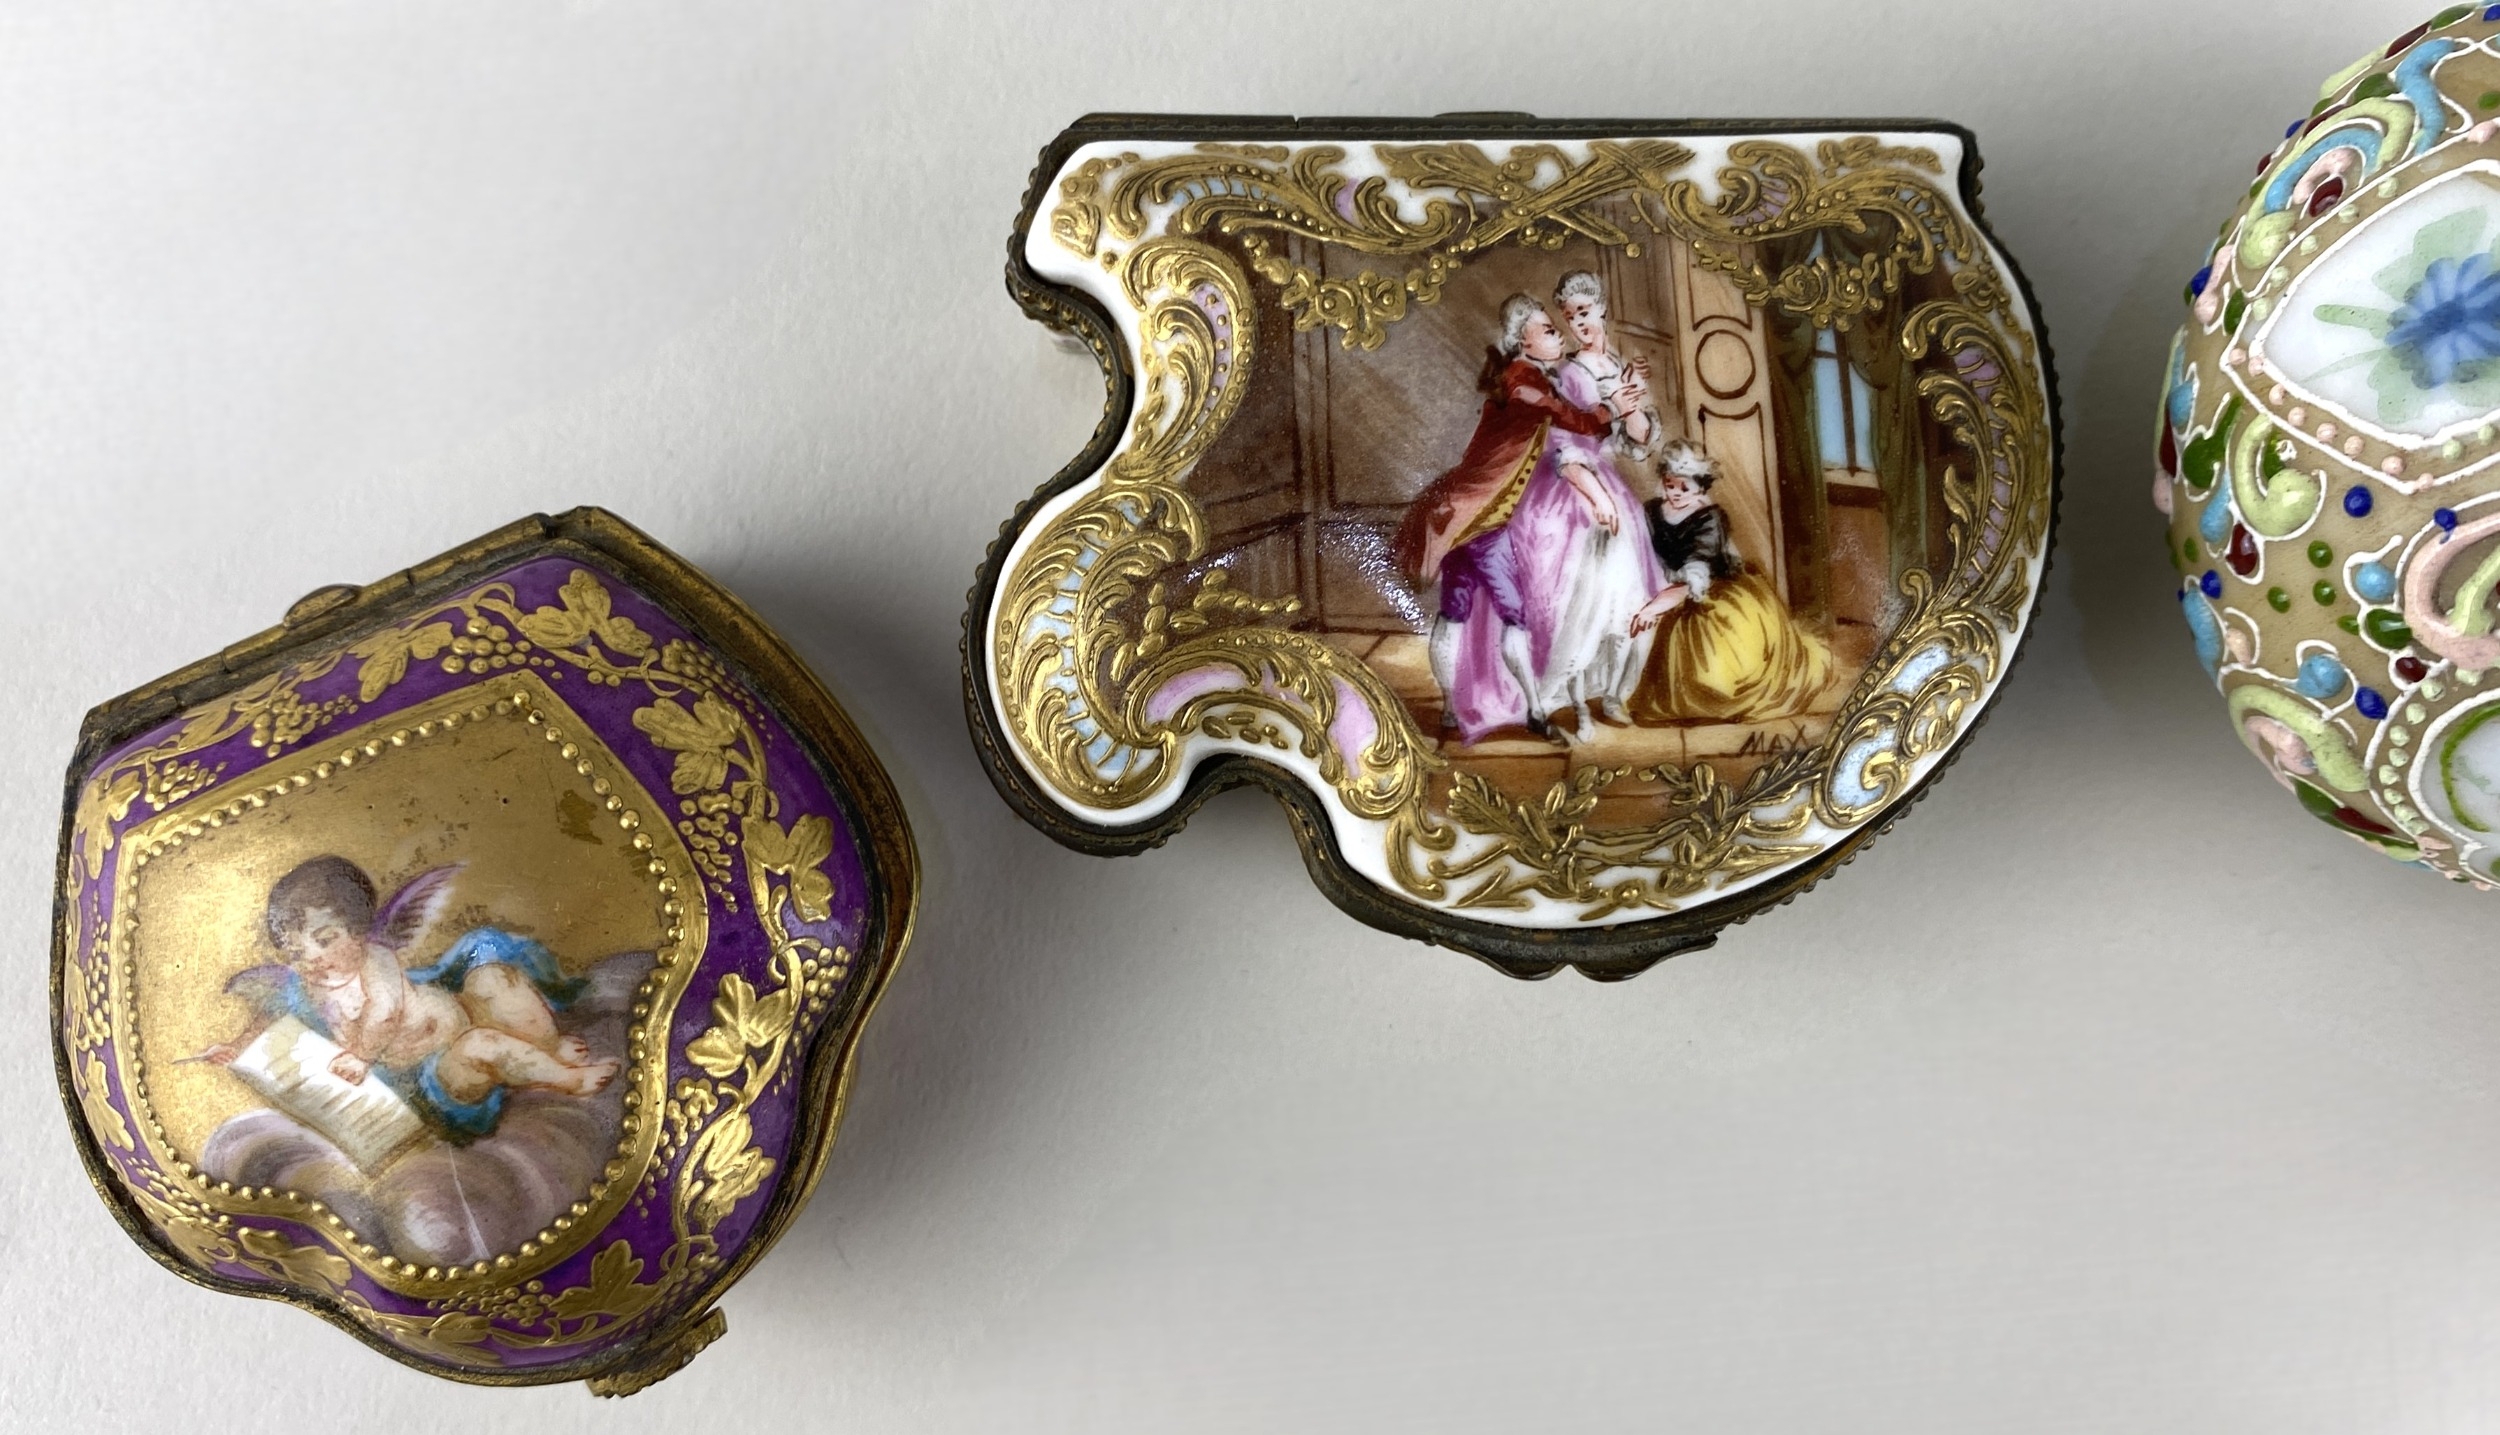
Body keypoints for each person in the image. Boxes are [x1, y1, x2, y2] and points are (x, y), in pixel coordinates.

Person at [191, 857, 620, 1141]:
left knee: (495, 980)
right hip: (439, 1074)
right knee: (481, 1045)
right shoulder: (303, 986)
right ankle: (568, 1080)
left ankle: (547, 1048)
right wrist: (237, 1046)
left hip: (464, 1011)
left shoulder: (375, 960)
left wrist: (360, 1055)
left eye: (324, 940)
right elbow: (271, 1011)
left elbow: (386, 1010)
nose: (312, 959)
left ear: (358, 932)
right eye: (296, 952)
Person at [1394, 294, 1626, 742]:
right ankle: (1535, 711)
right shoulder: (1525, 386)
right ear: (1524, 341)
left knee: (1453, 613)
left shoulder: (1517, 380)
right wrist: (1614, 404)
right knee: (1515, 617)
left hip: (1457, 516)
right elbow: (1580, 422)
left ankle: (1449, 710)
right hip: (1481, 522)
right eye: (1549, 330)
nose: (1559, 336)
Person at [1538, 270, 1668, 738]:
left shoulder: (1617, 365)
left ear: (1602, 309)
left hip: (1612, 486)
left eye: (1584, 312)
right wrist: (1594, 494)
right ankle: (1572, 697)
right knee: (1589, 598)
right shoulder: (1568, 374)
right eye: (1570, 316)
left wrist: (1629, 406)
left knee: (1630, 595)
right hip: (1577, 489)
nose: (1578, 324)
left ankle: (1613, 692)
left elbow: (1640, 441)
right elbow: (1561, 446)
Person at [1627, 442, 1834, 724]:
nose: (1675, 492)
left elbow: (1694, 580)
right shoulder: (1652, 511)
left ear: (1701, 486)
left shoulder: (1710, 519)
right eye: (1670, 483)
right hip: (1667, 589)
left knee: (1721, 678)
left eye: (1684, 487)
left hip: (1716, 592)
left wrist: (1654, 607)